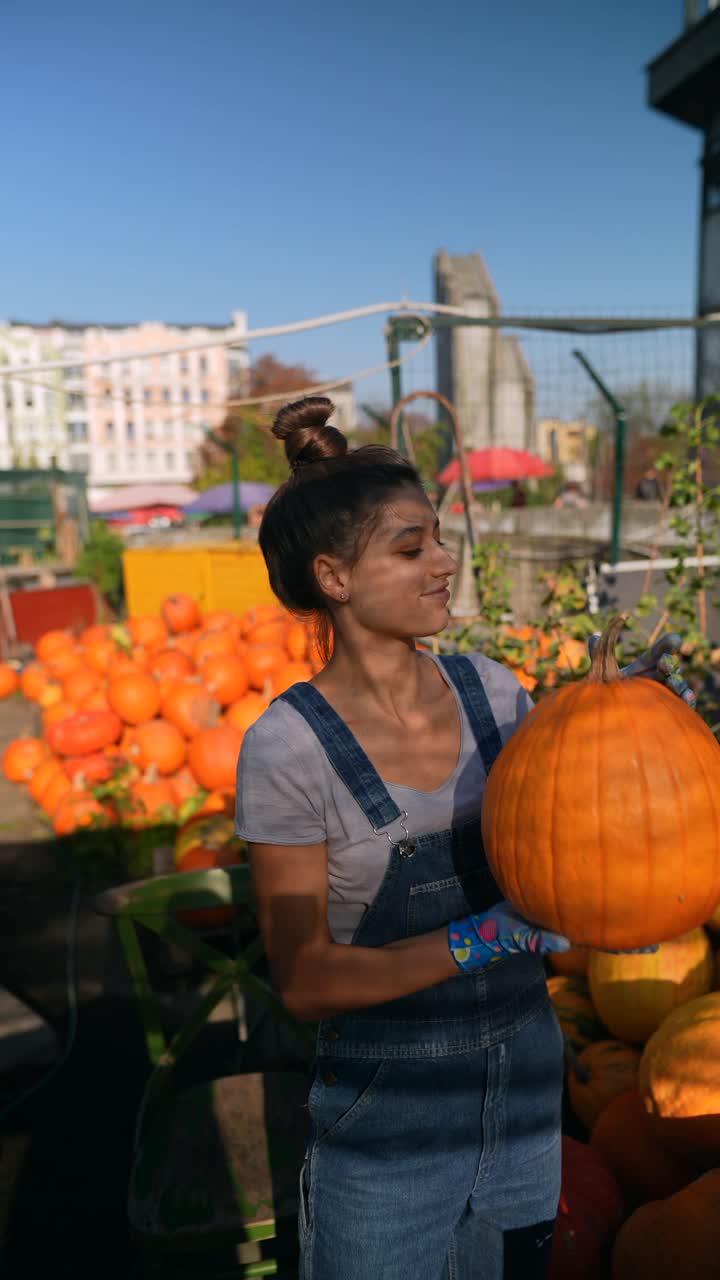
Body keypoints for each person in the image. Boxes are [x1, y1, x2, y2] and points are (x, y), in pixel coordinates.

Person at [235, 395, 691, 1280]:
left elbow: (568, 812)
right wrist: (488, 938)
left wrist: (627, 712)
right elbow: (304, 978)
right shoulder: (287, 748)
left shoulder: (492, 691)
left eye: (439, 538)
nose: (446, 562)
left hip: (526, 1091)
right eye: (412, 549)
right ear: (333, 578)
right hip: (388, 1119)